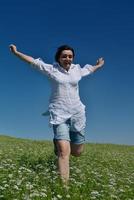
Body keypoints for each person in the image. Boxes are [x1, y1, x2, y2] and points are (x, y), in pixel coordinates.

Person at [9, 44, 104, 183]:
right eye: (64, 56)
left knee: (77, 152)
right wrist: (17, 53)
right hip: (59, 114)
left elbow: (89, 69)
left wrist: (99, 65)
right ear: (59, 58)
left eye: (70, 56)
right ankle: (64, 189)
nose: (67, 58)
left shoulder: (77, 70)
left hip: (77, 114)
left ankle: (58, 143)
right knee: (64, 152)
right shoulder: (52, 69)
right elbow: (33, 62)